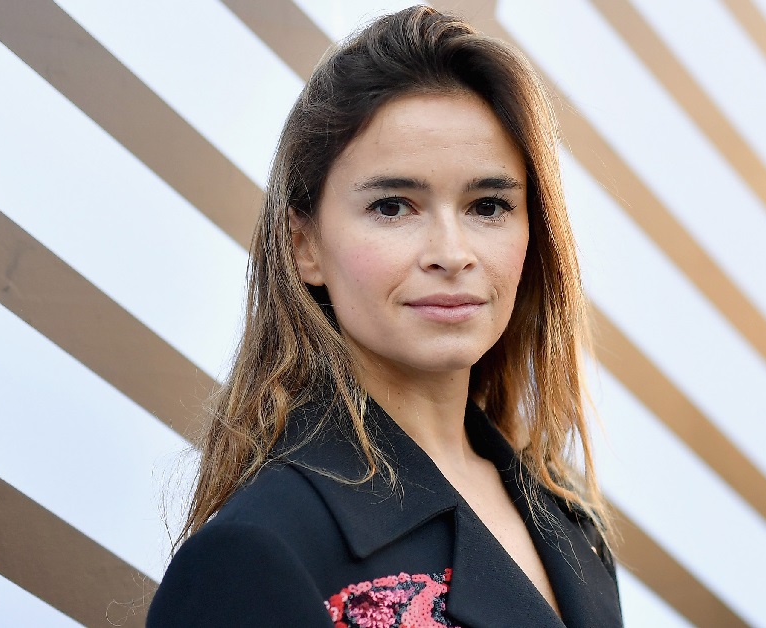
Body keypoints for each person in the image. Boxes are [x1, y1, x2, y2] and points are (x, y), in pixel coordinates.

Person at [147, 6, 623, 627]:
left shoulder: (570, 519)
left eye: (488, 206)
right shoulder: (255, 554)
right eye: (393, 206)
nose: (451, 253)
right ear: (303, 244)